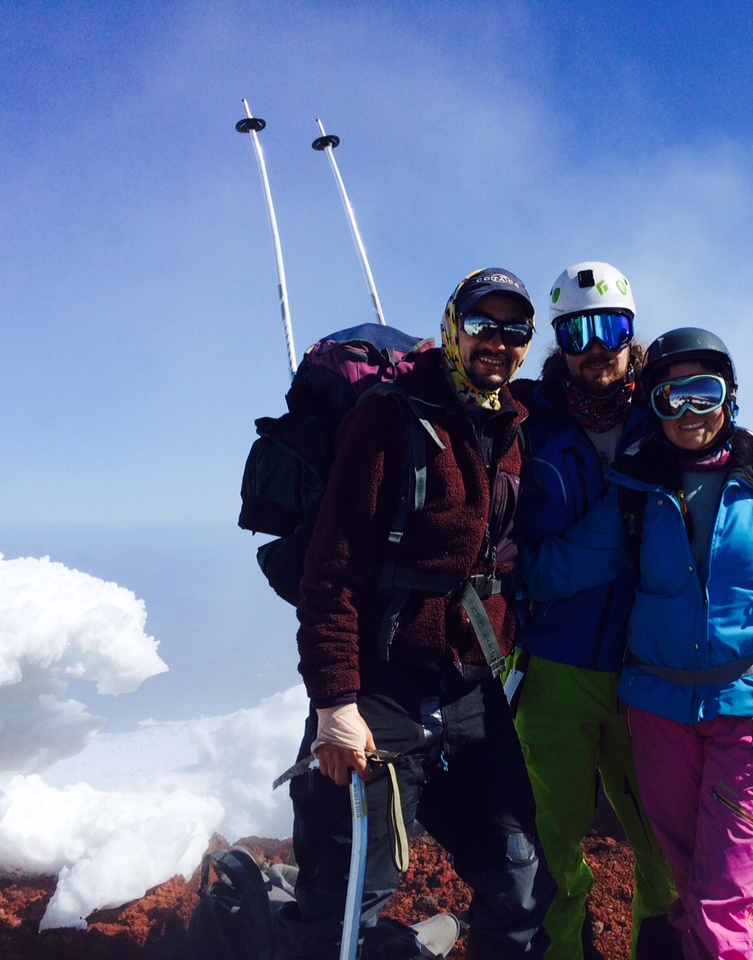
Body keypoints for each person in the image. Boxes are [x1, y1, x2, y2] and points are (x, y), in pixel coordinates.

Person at [521, 328, 753, 960]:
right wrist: (480, 560)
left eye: (703, 393)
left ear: (730, 397)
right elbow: (560, 568)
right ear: (651, 406)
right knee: (689, 885)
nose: (689, 412)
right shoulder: (636, 492)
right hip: (660, 718)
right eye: (670, 397)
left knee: (723, 901)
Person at [280, 268, 556, 960]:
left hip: (470, 691)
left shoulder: (513, 425)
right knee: (349, 898)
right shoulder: (389, 417)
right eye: (483, 324)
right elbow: (331, 569)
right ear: (453, 328)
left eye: (515, 329)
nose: (498, 341)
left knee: (520, 882)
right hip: (382, 688)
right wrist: (334, 703)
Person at [508, 262, 682, 960]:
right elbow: (515, 554)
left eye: (610, 327)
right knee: (551, 847)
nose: (596, 347)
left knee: (665, 844)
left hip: (648, 669)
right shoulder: (526, 425)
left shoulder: (667, 418)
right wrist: (619, 533)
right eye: (577, 332)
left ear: (631, 333)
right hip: (556, 666)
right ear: (559, 341)